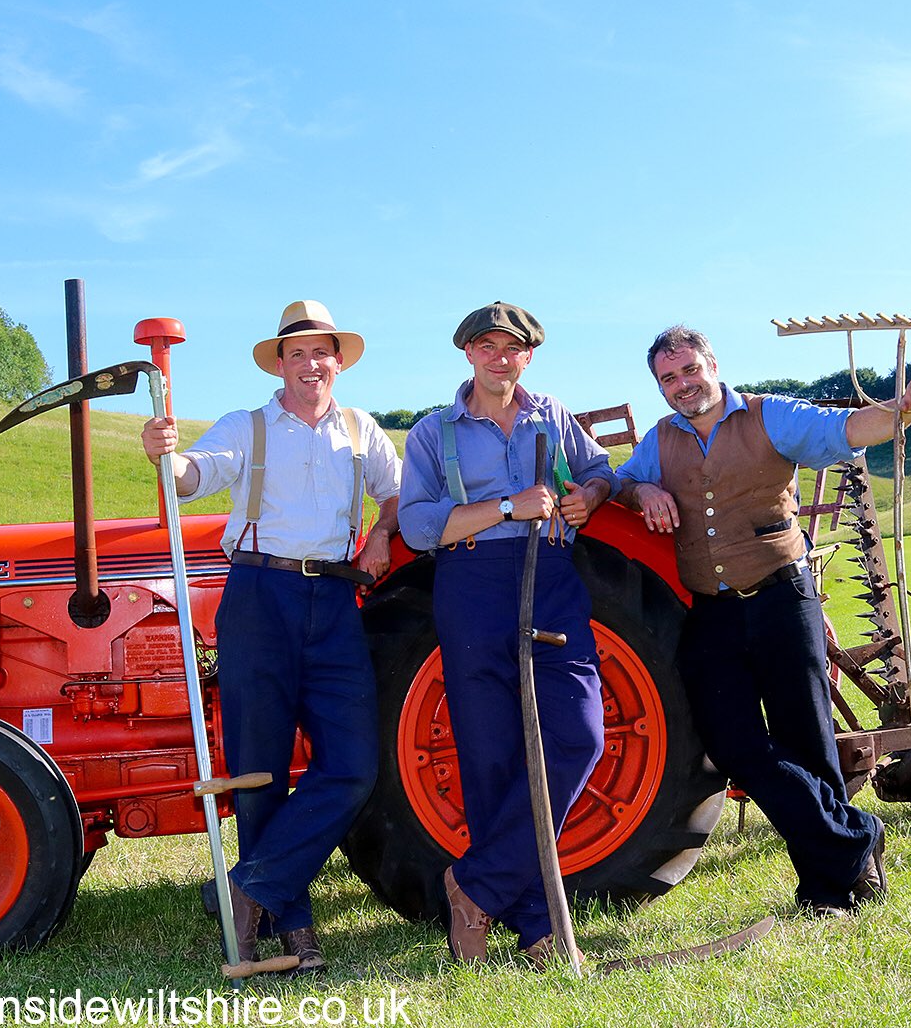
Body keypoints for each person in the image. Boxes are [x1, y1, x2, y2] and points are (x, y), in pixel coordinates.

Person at [616, 325, 911, 917]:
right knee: (732, 743)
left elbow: (841, 430)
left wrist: (901, 410)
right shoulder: (660, 442)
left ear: (713, 364)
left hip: (780, 598)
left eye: (690, 370)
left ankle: (826, 889)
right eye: (669, 379)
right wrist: (643, 491)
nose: (682, 386)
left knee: (806, 740)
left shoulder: (771, 416)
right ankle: (856, 839)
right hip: (712, 610)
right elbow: (622, 482)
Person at [141, 299, 401, 970]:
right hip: (259, 596)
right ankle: (293, 927)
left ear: (337, 361)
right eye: (297, 353)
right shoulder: (247, 427)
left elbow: (397, 495)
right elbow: (195, 475)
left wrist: (378, 535)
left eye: (321, 352)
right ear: (280, 363)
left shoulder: (361, 430)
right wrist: (166, 458)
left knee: (352, 765)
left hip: (337, 599)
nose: (310, 364)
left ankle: (247, 888)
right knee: (259, 769)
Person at [398, 301, 617, 965]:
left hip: (550, 579)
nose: (499, 357)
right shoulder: (434, 433)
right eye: (486, 346)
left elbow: (601, 469)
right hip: (473, 585)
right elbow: (415, 526)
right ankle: (537, 929)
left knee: (581, 734)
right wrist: (505, 506)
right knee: (490, 760)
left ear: (529, 356)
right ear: (468, 354)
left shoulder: (553, 415)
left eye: (511, 348)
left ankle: (475, 886)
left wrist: (591, 497)